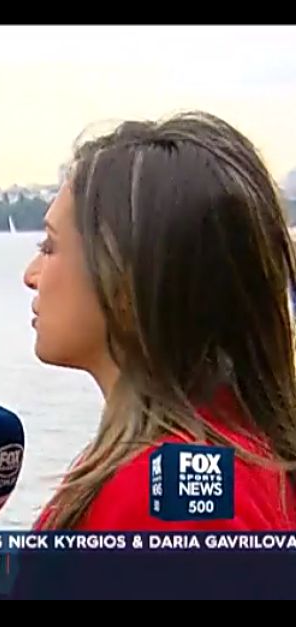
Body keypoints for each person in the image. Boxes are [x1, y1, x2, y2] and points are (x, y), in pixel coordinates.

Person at [23, 111, 296, 531]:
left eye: (49, 247)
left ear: (125, 278)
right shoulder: (229, 456)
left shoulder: (165, 502)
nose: (31, 276)